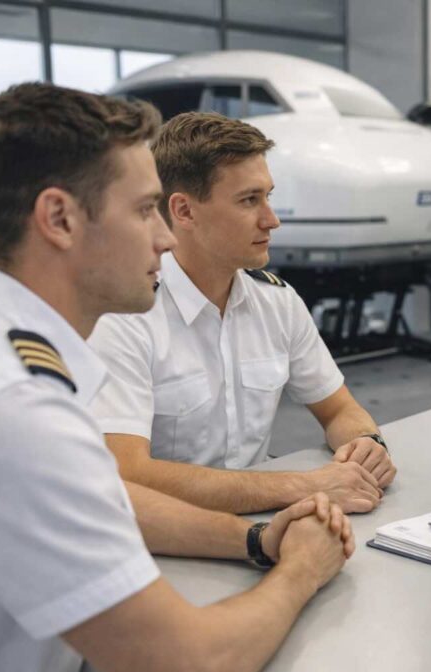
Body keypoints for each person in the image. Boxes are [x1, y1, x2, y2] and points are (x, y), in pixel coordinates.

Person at [0, 82, 354, 672]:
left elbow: (112, 499)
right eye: (145, 210)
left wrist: (255, 541)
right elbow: (192, 665)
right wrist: (301, 566)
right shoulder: (15, 415)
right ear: (59, 219)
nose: (166, 237)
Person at [87, 112, 395, 515]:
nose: (272, 219)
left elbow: (338, 409)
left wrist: (365, 444)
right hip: (168, 537)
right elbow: (127, 472)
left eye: (268, 196)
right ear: (183, 211)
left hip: (268, 517)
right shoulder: (125, 318)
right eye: (250, 200)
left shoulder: (277, 303)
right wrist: (300, 486)